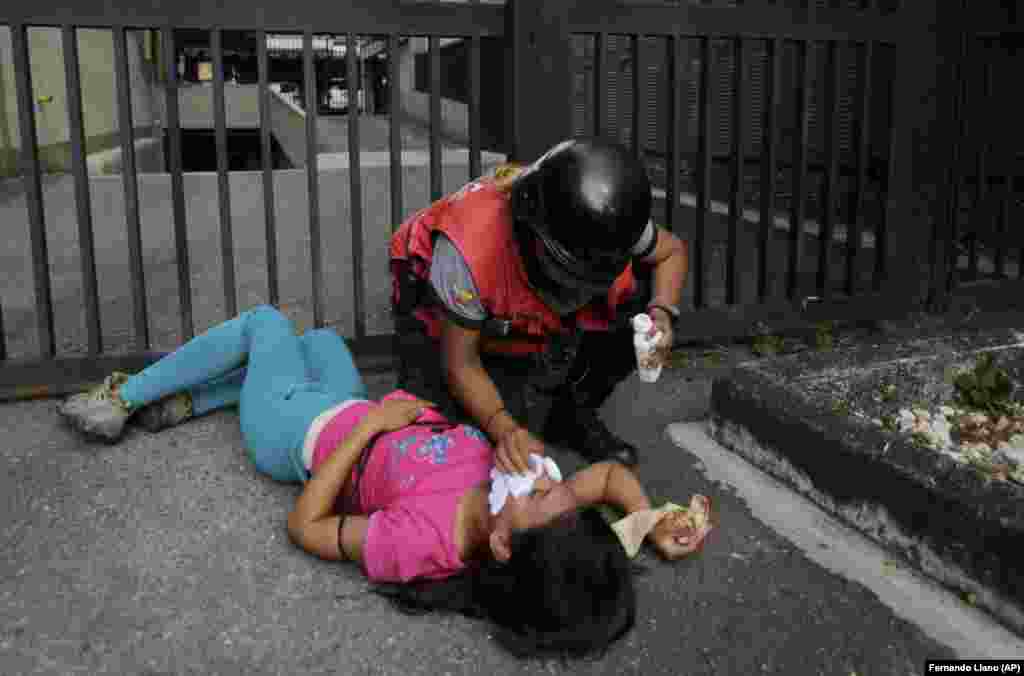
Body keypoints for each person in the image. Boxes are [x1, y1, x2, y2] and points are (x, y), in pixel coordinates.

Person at [56, 304, 710, 658]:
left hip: (299, 434)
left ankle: (125, 397)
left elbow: (305, 526)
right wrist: (653, 522)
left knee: (265, 323)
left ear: (505, 546)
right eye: (561, 485)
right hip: (352, 406)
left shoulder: (419, 543)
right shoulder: (531, 509)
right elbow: (610, 479)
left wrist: (370, 431)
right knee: (320, 337)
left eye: (543, 492)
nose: (547, 473)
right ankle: (202, 398)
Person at [390, 137, 689, 473]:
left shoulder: (612, 219)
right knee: (440, 443)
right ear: (533, 234)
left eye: (587, 280)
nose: (577, 294)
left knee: (640, 298)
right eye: (568, 275)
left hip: (513, 307)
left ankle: (573, 414)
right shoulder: (467, 251)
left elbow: (671, 252)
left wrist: (661, 312)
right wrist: (504, 427)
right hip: (432, 298)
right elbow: (460, 364)